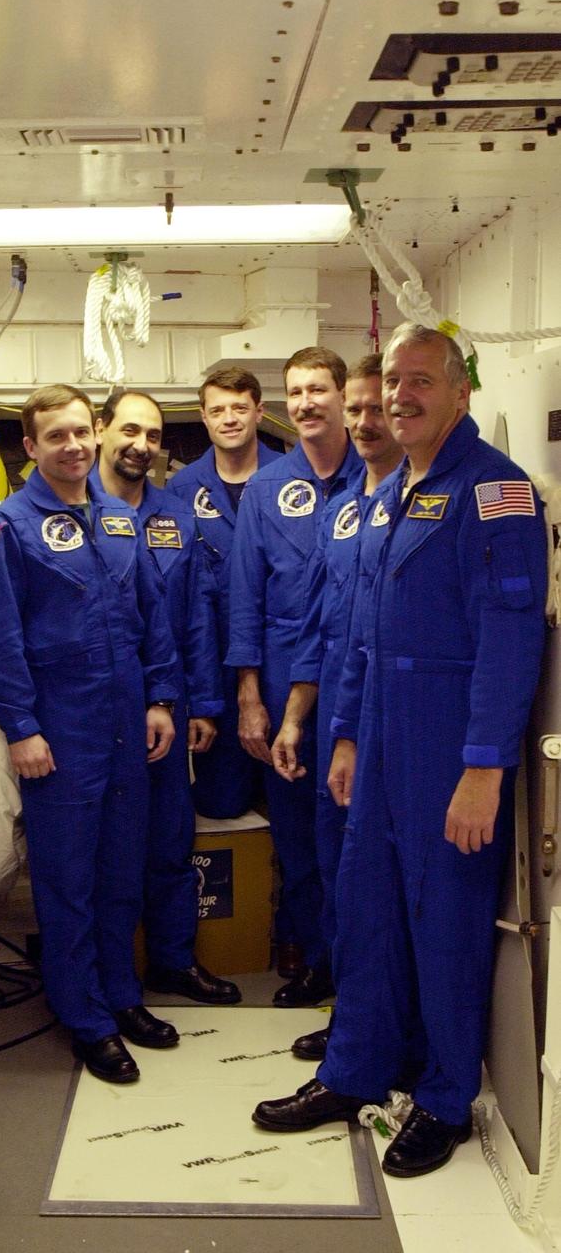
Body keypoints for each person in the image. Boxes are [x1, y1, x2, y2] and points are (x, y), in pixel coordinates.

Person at [251, 324, 547, 1179]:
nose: (403, 397)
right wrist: (343, 737)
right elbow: (360, 637)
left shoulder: (495, 492)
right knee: (367, 906)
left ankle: (447, 1096)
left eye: (422, 381)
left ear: (461, 393)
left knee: (446, 920)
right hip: (377, 734)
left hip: (446, 742)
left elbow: (509, 637)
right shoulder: (390, 494)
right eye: (395, 382)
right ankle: (357, 1069)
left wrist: (484, 769)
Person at [0, 384, 180, 1085]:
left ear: (94, 435)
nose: (72, 447)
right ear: (30, 447)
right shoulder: (9, 528)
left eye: (79, 433)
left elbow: (152, 618)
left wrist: (159, 698)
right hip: (61, 730)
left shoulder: (120, 520)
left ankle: (123, 996)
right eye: (53, 437)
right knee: (68, 880)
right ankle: (85, 1017)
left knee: (123, 871)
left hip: (126, 723)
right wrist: (23, 728)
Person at [270, 354, 403, 1060]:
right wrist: (294, 718)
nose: (362, 422)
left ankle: (379, 1032)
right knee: (337, 874)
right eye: (355, 409)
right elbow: (320, 627)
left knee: (381, 886)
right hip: (335, 725)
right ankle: (352, 1014)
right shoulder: (346, 512)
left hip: (395, 728)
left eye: (372, 408)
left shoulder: (414, 498)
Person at [93, 389, 240, 1005]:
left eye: (153, 436)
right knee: (111, 856)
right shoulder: (76, 513)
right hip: (100, 710)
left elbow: (198, 617)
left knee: (171, 843)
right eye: (129, 430)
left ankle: (174, 963)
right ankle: (113, 982)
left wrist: (204, 703)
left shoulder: (174, 516)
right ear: (101, 430)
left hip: (170, 705)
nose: (141, 446)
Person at [226, 347, 363, 1006]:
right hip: (282, 680)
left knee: (354, 834)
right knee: (298, 835)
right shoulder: (267, 489)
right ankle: (314, 959)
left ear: (342, 397)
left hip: (354, 680)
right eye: (296, 392)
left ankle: (353, 964)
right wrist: (250, 698)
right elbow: (244, 598)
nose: (307, 403)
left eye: (319, 389)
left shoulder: (379, 474)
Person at [167, 367, 279, 825]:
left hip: (280, 662)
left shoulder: (293, 480)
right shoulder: (181, 489)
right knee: (221, 804)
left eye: (239, 407)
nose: (229, 418)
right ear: (204, 417)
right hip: (214, 667)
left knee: (290, 799)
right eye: (218, 410)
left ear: (259, 411)